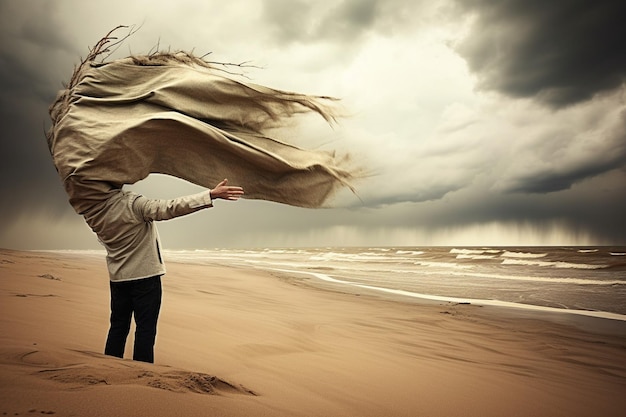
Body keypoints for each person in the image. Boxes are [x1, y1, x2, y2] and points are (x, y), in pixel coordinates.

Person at [88, 178, 244, 363]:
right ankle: (142, 373)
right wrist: (209, 195)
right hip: (145, 277)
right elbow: (170, 208)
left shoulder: (94, 213)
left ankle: (109, 367)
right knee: (145, 330)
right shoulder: (132, 204)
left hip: (118, 278)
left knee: (118, 327)